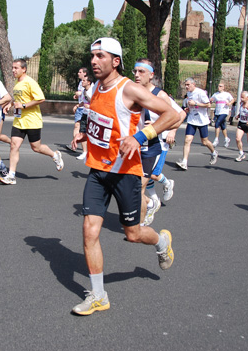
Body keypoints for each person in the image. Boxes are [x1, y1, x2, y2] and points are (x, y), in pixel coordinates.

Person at [69, 38, 178, 315]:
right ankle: (98, 295)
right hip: (98, 172)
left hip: (125, 174)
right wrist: (86, 133)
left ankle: (162, 242)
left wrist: (141, 135)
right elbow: (99, 118)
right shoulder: (95, 87)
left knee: (133, 234)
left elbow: (172, 115)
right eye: (92, 55)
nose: (94, 61)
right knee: (89, 231)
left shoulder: (129, 88)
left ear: (115, 61)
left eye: (100, 56)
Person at [132, 59, 184, 227]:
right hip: (134, 145)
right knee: (129, 186)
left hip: (154, 146)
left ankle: (138, 227)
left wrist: (158, 129)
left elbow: (178, 116)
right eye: (135, 71)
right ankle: (151, 202)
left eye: (141, 72)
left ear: (151, 75)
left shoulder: (160, 95)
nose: (137, 75)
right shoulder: (133, 91)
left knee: (139, 186)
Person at [0, 59, 64, 184]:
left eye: (16, 68)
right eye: (12, 67)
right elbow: (19, 99)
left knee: (36, 147)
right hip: (19, 121)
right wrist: (10, 104)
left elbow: (40, 98)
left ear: (24, 69)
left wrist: (23, 106)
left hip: (32, 121)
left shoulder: (30, 82)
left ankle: (54, 155)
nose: (13, 70)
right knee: (14, 145)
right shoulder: (17, 83)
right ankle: (11, 175)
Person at [175, 78, 217, 170]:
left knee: (205, 141)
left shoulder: (201, 93)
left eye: (188, 85)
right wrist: (188, 109)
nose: (186, 87)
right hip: (192, 119)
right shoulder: (189, 94)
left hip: (202, 120)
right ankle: (184, 162)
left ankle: (213, 152)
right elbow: (191, 105)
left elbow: (208, 105)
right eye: (185, 85)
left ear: (193, 84)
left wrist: (196, 103)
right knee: (187, 140)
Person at [67, 68, 89, 156]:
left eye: (80, 72)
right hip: (81, 107)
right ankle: (74, 144)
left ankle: (85, 151)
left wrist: (78, 94)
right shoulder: (81, 83)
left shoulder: (89, 83)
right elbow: (81, 94)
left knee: (83, 130)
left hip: (86, 110)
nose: (78, 73)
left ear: (85, 73)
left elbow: (84, 93)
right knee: (77, 126)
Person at [73, 71, 94, 161]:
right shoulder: (85, 90)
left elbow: (97, 103)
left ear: (88, 82)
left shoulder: (93, 90)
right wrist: (78, 105)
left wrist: (90, 106)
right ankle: (84, 152)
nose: (82, 82)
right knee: (82, 133)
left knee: (91, 135)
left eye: (84, 81)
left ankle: (92, 153)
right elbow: (84, 102)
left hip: (92, 116)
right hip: (85, 114)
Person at [209, 83, 234, 148]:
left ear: (223, 87)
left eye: (220, 86)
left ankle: (216, 139)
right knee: (223, 126)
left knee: (217, 124)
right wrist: (211, 101)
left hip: (224, 112)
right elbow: (211, 100)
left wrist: (229, 103)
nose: (219, 87)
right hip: (217, 112)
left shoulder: (226, 94)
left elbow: (233, 100)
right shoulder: (215, 94)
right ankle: (226, 139)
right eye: (218, 86)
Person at [234, 91, 248, 162]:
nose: (241, 99)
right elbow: (242, 112)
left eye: (243, 97)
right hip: (241, 123)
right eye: (241, 97)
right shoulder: (241, 104)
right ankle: (241, 153)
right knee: (238, 139)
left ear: (247, 97)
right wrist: (238, 115)